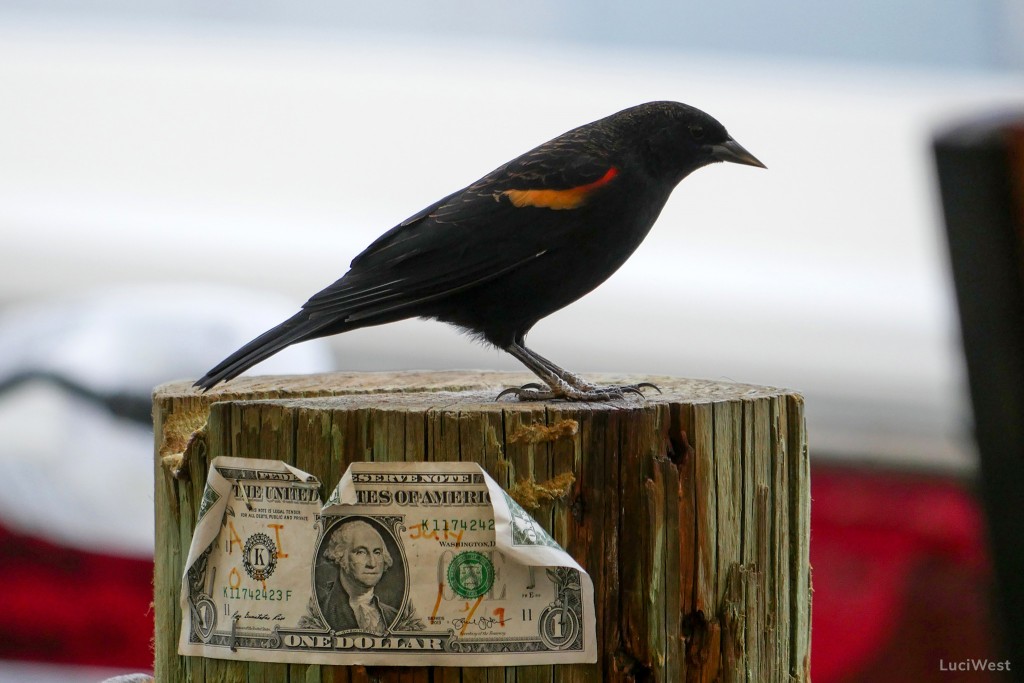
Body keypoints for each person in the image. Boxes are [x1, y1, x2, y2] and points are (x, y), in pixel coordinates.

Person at [317, 520, 400, 633]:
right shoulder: (321, 612)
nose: (372, 563)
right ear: (340, 556)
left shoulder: (394, 616)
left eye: (377, 552)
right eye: (361, 552)